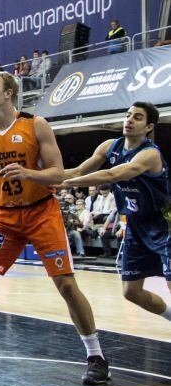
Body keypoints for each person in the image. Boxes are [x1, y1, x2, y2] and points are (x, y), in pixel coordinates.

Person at [0, 70, 110, 386]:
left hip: (42, 212)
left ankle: (96, 356)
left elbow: (58, 175)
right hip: (3, 216)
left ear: (9, 93)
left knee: (67, 286)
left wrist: (29, 174)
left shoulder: (35, 125)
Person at [62, 102, 171, 323]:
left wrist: (65, 183)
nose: (129, 120)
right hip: (136, 225)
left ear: (149, 126)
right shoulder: (110, 146)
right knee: (131, 292)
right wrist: (38, 177)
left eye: (137, 117)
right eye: (128, 115)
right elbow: (78, 170)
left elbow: (112, 175)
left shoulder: (150, 154)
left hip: (164, 224)